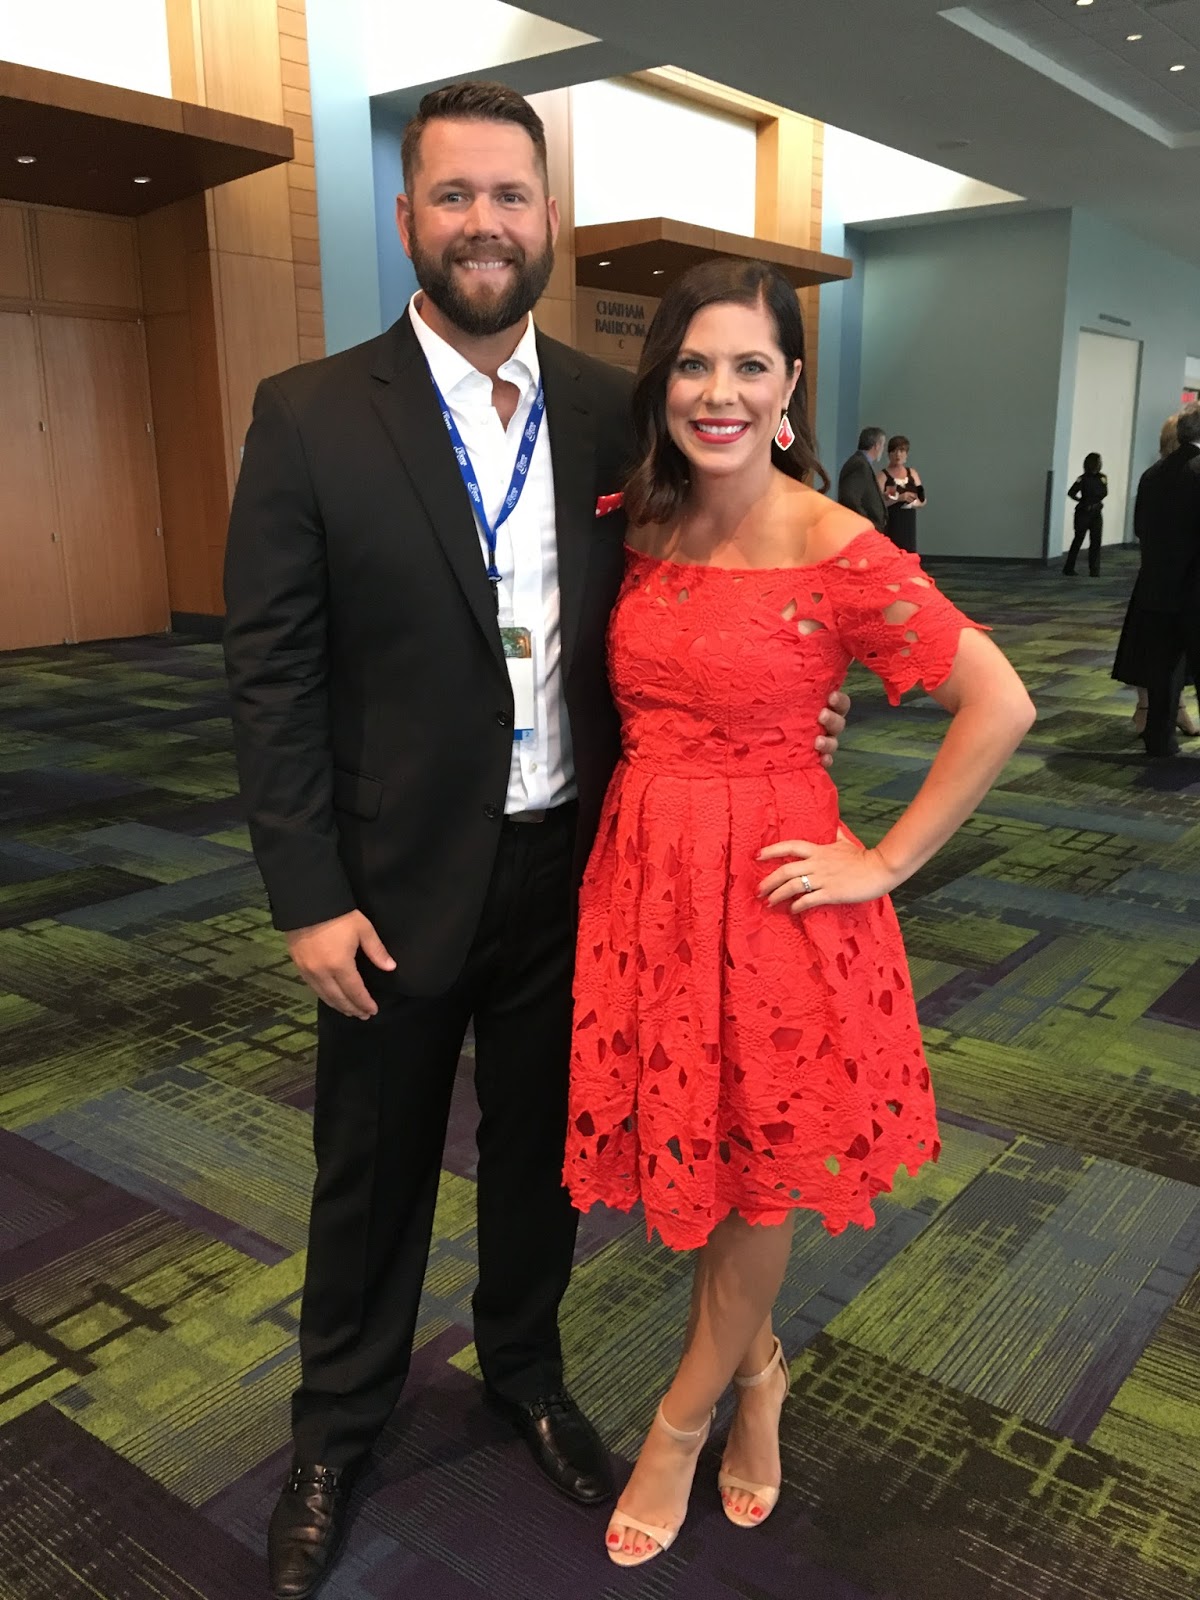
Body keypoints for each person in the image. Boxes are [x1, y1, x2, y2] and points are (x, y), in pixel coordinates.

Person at [222, 82, 849, 1600]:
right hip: (388, 883)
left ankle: (525, 1370)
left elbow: (727, 569)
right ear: (407, 219)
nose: (484, 223)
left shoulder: (608, 407)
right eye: (454, 196)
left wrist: (794, 701)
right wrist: (306, 892)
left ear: (548, 218)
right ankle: (338, 1427)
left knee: (540, 1160)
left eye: (510, 195)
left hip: (585, 870)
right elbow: (271, 672)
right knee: (371, 1170)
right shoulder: (312, 413)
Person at [563, 258, 1036, 1568]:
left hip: (775, 899)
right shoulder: (635, 523)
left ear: (790, 387)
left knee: (761, 1180)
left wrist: (884, 861)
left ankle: (680, 1423)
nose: (718, 392)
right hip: (651, 885)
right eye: (694, 365)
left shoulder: (835, 543)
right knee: (704, 1162)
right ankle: (760, 1369)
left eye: (749, 366)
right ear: (663, 383)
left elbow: (999, 703)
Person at [1113, 409, 1200, 738]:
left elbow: (1140, 528)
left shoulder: (1152, 475)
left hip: (1156, 581)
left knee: (1162, 663)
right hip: (1189, 585)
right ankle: (1157, 717)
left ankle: (1161, 729)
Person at [1063, 452, 1108, 576]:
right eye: (1098, 461)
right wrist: (1082, 501)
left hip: (1096, 512)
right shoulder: (1082, 478)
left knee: (1096, 541)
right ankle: (1069, 568)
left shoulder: (1102, 477)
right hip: (1084, 512)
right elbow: (1071, 492)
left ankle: (1094, 570)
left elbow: (1104, 492)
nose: (1100, 464)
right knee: (1078, 540)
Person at [879, 433, 924, 553]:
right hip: (892, 522)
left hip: (908, 522)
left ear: (906, 454)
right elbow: (879, 503)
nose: (898, 455)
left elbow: (923, 499)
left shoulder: (913, 473)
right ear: (889, 454)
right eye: (894, 451)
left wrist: (913, 501)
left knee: (909, 554)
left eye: (901, 451)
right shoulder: (883, 476)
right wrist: (900, 497)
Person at [837, 426, 888, 531]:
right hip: (862, 529)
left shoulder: (862, 463)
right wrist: (867, 523)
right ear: (877, 446)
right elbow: (850, 499)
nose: (882, 450)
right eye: (883, 446)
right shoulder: (860, 465)